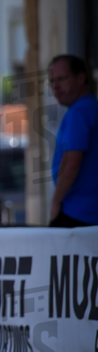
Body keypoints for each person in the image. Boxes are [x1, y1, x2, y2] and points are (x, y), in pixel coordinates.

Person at [48, 54, 98, 227]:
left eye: (61, 79)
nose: (56, 86)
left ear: (81, 78)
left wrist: (55, 202)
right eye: (52, 81)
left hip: (78, 214)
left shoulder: (79, 112)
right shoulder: (91, 106)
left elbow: (71, 163)